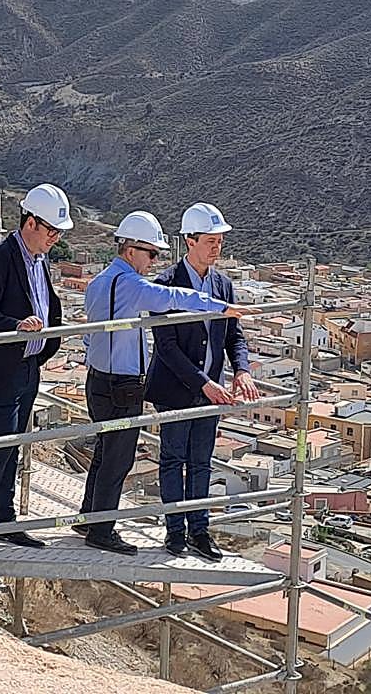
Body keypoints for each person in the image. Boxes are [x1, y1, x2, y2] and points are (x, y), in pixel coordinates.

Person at [75, 211, 243, 555]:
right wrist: (216, 306)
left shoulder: (98, 282)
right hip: (122, 383)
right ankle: (102, 530)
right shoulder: (134, 285)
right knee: (119, 459)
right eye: (150, 253)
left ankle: (89, 518)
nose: (153, 261)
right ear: (131, 250)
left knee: (105, 453)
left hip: (98, 378)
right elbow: (174, 301)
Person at [0, 183, 72, 550]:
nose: (55, 238)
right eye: (51, 230)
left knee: (14, 444)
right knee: (2, 444)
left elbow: (47, 307)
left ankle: (3, 520)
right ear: (31, 222)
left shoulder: (41, 261)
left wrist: (43, 344)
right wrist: (16, 326)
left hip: (28, 366)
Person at [145, 202, 261, 562]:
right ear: (189, 241)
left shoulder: (223, 285)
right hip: (179, 389)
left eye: (220, 241)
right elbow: (165, 346)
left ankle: (200, 530)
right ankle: (175, 532)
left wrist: (241, 369)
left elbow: (233, 336)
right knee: (173, 459)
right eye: (210, 240)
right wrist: (202, 383)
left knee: (201, 462)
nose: (216, 247)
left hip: (212, 390)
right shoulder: (165, 285)